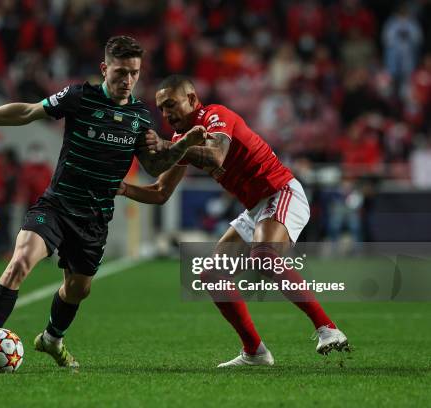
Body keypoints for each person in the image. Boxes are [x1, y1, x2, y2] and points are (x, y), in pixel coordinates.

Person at [0, 36, 203, 372]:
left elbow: (154, 167)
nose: (128, 80)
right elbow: (28, 112)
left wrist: (183, 146)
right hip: (57, 206)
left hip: (94, 218)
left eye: (134, 73)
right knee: (18, 263)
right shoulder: (80, 97)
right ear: (105, 69)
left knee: (78, 290)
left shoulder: (140, 116)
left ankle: (52, 338)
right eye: (121, 72)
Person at [118, 75, 349, 367]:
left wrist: (167, 146)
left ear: (191, 99)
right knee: (212, 275)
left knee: (264, 258)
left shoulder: (216, 115)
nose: (166, 114)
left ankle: (327, 328)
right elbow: (161, 192)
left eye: (171, 104)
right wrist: (124, 188)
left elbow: (215, 156)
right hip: (257, 208)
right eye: (161, 108)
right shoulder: (179, 141)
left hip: (281, 191)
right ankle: (254, 352)